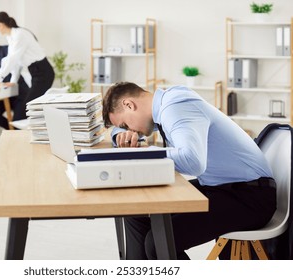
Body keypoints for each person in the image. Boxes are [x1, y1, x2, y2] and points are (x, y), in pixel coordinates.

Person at [102, 82, 277, 260]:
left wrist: (144, 155)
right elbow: (129, 127)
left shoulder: (176, 107)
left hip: (250, 197)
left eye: (125, 124)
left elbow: (193, 162)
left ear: (129, 105)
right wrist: (119, 134)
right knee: (136, 210)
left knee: (157, 243)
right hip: (223, 187)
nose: (128, 130)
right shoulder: (167, 105)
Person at [0, 11, 55, 119]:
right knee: (27, 111)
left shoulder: (19, 35)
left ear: (0, 25)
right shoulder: (11, 37)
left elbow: (13, 59)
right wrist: (13, 81)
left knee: (25, 111)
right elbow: (16, 62)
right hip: (36, 72)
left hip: (43, 72)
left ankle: (27, 134)